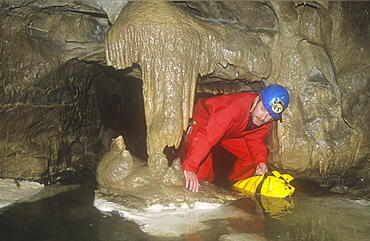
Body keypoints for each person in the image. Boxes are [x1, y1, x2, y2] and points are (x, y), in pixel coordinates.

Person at [179, 84, 290, 192]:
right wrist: (190, 167)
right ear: (257, 99)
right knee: (202, 174)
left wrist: (260, 162)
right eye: (262, 109)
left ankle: (236, 187)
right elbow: (207, 137)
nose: (263, 117)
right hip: (205, 122)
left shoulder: (265, 120)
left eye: (270, 115)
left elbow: (255, 139)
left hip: (231, 129)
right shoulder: (235, 106)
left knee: (252, 159)